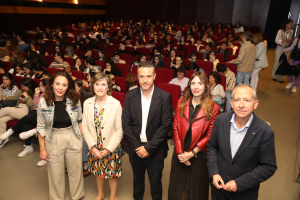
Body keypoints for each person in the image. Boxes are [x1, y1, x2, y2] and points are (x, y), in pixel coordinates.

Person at [207, 84, 277, 200]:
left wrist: (239, 183)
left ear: (255, 104)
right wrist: (214, 172)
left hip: (244, 194)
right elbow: (212, 147)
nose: (241, 105)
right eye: (237, 100)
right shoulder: (220, 120)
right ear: (231, 103)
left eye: (247, 100)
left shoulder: (265, 132)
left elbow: (268, 167)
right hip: (218, 190)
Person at [122, 61, 173, 200]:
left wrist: (148, 148)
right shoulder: (130, 95)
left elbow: (165, 126)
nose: (145, 80)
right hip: (135, 149)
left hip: (155, 150)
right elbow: (126, 123)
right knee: (137, 183)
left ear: (155, 76)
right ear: (137, 77)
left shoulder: (164, 97)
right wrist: (138, 147)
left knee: (155, 184)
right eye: (142, 76)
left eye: (148, 76)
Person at [168, 71, 219, 200]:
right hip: (180, 153)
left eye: (200, 83)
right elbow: (175, 127)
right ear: (189, 86)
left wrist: (191, 154)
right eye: (193, 83)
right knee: (177, 190)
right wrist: (180, 153)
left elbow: (210, 135)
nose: (196, 87)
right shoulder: (181, 102)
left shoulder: (213, 108)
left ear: (206, 86)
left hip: (199, 154)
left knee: (197, 191)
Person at [37, 71, 84, 200]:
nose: (60, 87)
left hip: (72, 135)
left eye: (64, 85)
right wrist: (42, 149)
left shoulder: (74, 100)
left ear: (68, 86)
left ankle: (77, 196)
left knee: (76, 170)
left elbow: (80, 120)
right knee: (55, 172)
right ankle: (57, 198)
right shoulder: (43, 102)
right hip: (53, 137)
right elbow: (41, 127)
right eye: (57, 84)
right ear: (52, 84)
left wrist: (81, 138)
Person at [82, 73, 123, 200]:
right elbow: (84, 128)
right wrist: (93, 148)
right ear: (92, 86)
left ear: (108, 87)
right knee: (98, 172)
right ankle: (100, 193)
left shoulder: (115, 104)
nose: (100, 87)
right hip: (94, 145)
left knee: (112, 174)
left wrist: (108, 150)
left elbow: (119, 130)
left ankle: (113, 196)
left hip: (111, 146)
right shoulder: (87, 103)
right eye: (97, 84)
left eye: (103, 84)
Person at [0, 79, 49, 166]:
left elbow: (40, 107)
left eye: (40, 86)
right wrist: (37, 95)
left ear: (45, 86)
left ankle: (11, 131)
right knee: (25, 127)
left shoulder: (50, 95)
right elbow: (35, 104)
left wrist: (36, 106)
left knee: (27, 117)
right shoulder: (41, 93)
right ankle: (28, 147)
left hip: (45, 118)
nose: (39, 87)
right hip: (36, 115)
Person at [0, 78, 37, 148]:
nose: (22, 88)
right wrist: (5, 98)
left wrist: (27, 96)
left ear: (29, 85)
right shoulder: (22, 90)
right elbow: (15, 97)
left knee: (5, 109)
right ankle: (3, 138)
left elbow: (31, 105)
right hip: (17, 109)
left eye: (24, 86)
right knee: (1, 120)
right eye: (22, 86)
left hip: (25, 111)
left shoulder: (34, 92)